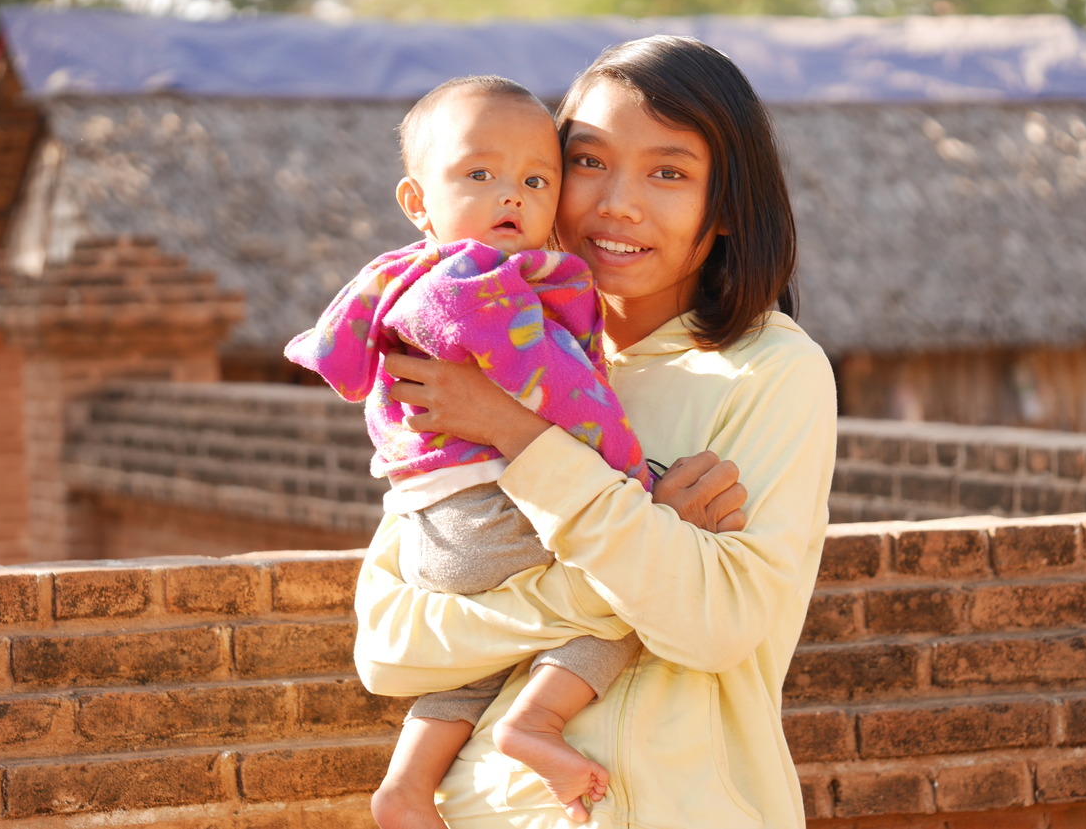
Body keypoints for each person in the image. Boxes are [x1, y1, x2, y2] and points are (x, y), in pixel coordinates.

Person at [355, 34, 838, 828]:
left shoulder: (770, 372)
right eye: (588, 162)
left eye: (669, 172)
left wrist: (517, 434)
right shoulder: (488, 351)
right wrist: (643, 544)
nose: (617, 201)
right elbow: (391, 646)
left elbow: (710, 623)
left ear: (724, 208)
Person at [284, 74, 747, 829]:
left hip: (436, 522)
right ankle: (534, 721)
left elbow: (344, 349)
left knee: (472, 660)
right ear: (417, 199)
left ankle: (406, 785)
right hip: (492, 509)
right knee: (633, 592)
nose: (513, 197)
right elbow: (566, 395)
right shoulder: (481, 287)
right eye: (480, 176)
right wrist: (629, 482)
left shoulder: (403, 272)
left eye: (537, 180)